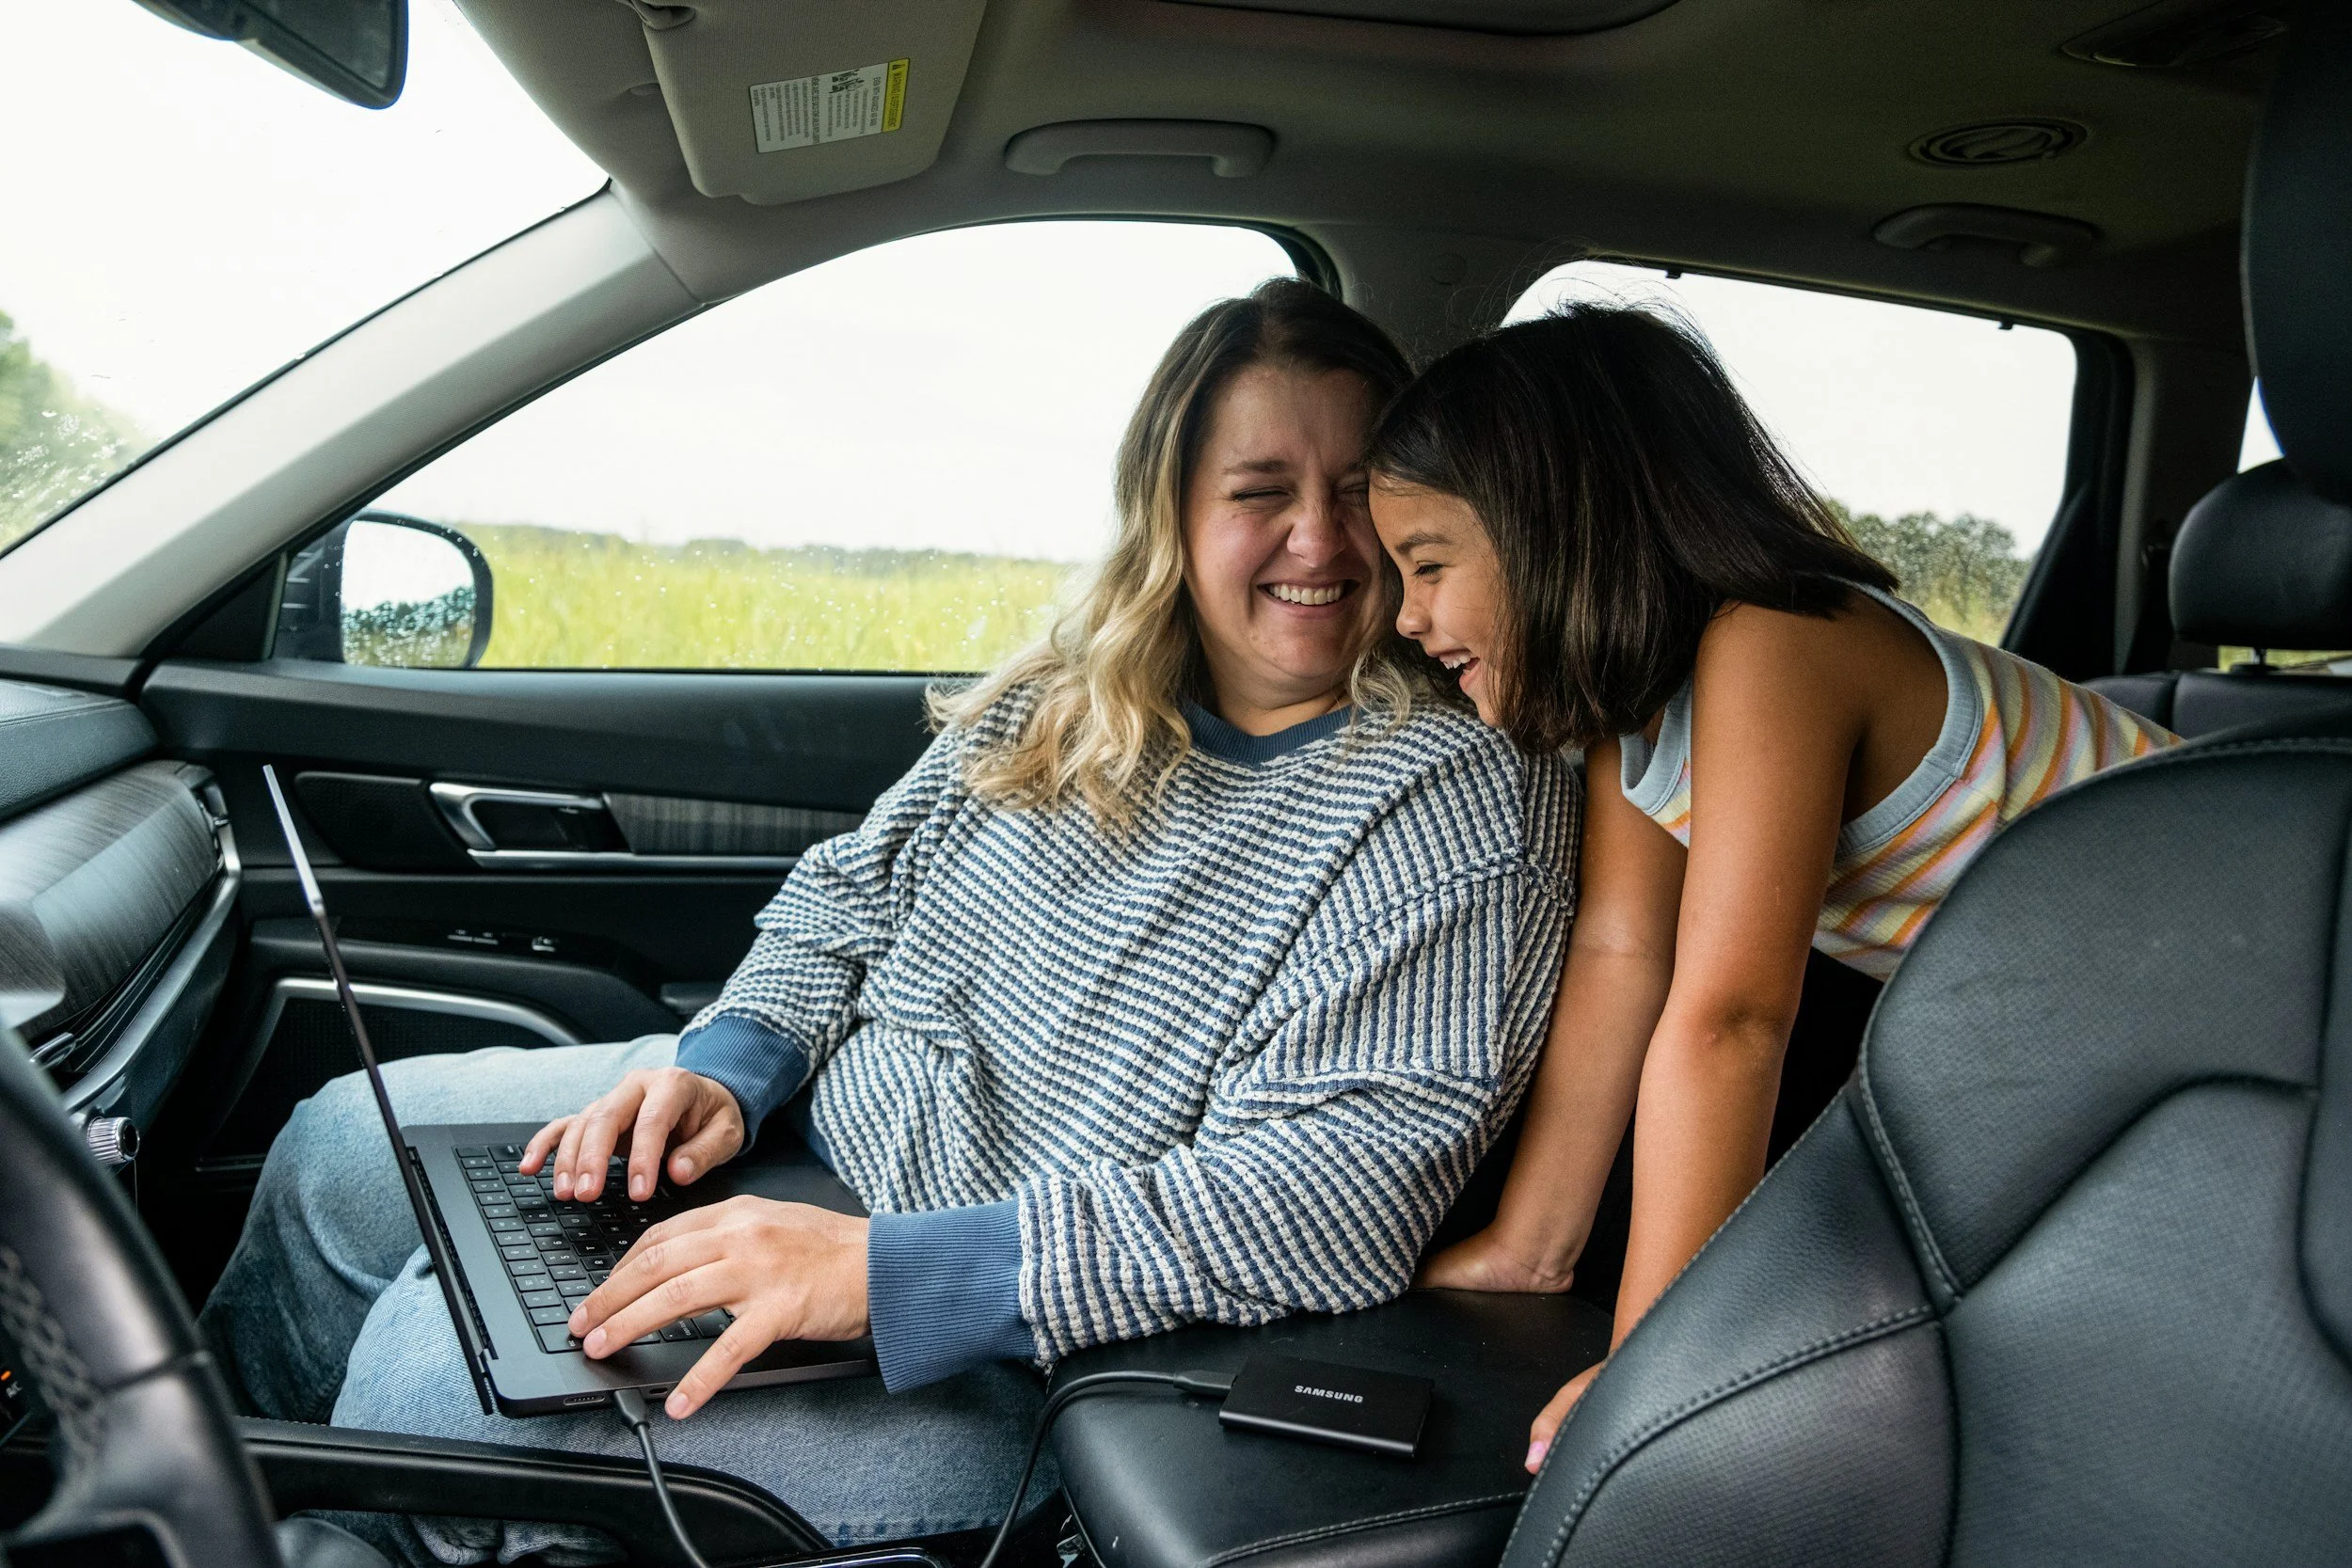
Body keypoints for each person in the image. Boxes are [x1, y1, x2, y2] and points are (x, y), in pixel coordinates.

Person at [200, 278, 1581, 1564]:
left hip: (1004, 1339)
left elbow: (1330, 1195)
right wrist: (725, 1067)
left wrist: (884, 1272)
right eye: (1261, 490)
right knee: (338, 1147)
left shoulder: (1448, 799)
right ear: (1172, 511)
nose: (1320, 539)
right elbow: (851, 891)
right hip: (812, 1159)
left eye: (1356, 494)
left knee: (439, 1383)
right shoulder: (1069, 690)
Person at [1362, 301, 2176, 1473]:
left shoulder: (1777, 641)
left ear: (1561, 533)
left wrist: (1651, 1361)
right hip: (2094, 1017)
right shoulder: (1638, 713)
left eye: (1429, 564)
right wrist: (1530, 1245)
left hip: (2253, 946)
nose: (1407, 615)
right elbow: (1621, 954)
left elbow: (1733, 1014)